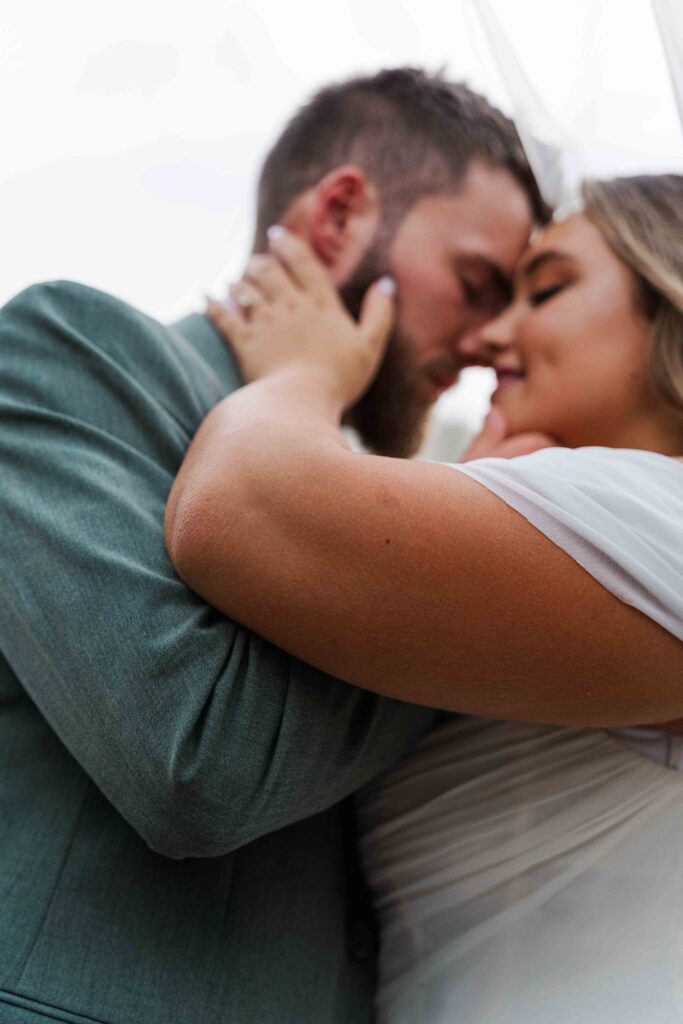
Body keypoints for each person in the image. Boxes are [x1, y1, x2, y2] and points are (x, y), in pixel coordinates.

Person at [0, 69, 549, 1024]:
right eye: (475, 285)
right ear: (339, 216)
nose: (495, 340)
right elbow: (193, 764)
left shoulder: (369, 502)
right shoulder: (68, 350)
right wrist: (482, 587)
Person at [167, 173, 683, 1021]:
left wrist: (306, 374)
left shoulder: (659, 518)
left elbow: (240, 506)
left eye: (546, 289)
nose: (493, 334)